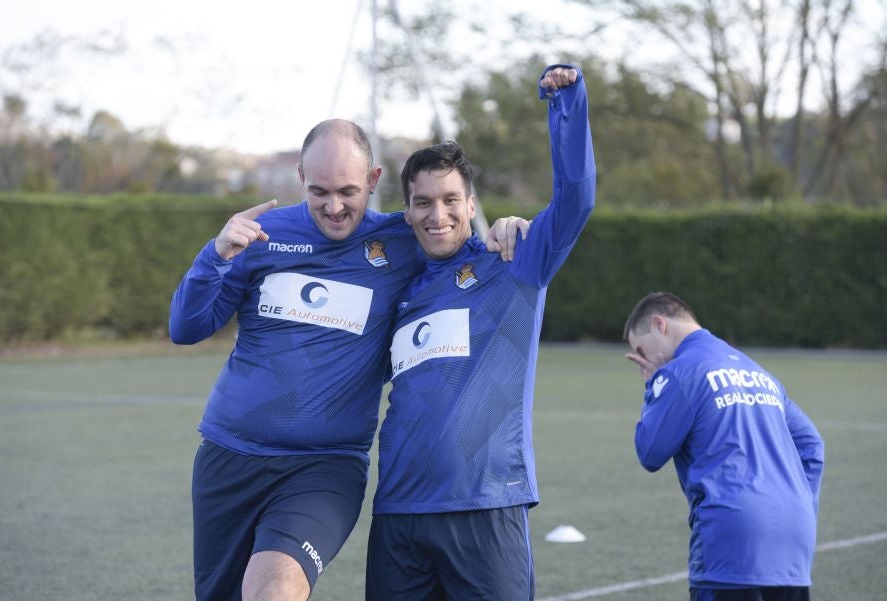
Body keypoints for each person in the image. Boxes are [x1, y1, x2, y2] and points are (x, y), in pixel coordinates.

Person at [169, 118, 526, 601]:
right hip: (228, 458)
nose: (334, 206)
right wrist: (215, 254)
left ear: (374, 181)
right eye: (320, 191)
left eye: (348, 191)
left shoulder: (401, 242)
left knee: (273, 588)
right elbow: (187, 328)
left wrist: (504, 229)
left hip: (324, 468)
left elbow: (454, 241)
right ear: (299, 176)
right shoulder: (260, 236)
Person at [366, 64, 596, 600]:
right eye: (422, 202)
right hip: (398, 514)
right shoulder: (398, 293)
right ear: (407, 212)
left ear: (471, 204)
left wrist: (567, 106)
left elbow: (576, 200)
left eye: (450, 200)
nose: (437, 214)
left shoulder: (511, 260)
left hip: (484, 505)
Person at [622, 291, 825, 601]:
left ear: (659, 324)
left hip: (733, 542)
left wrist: (654, 383)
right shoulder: (758, 372)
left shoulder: (680, 372)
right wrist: (801, 506)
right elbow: (812, 445)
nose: (643, 359)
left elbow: (649, 452)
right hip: (794, 541)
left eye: (640, 348)